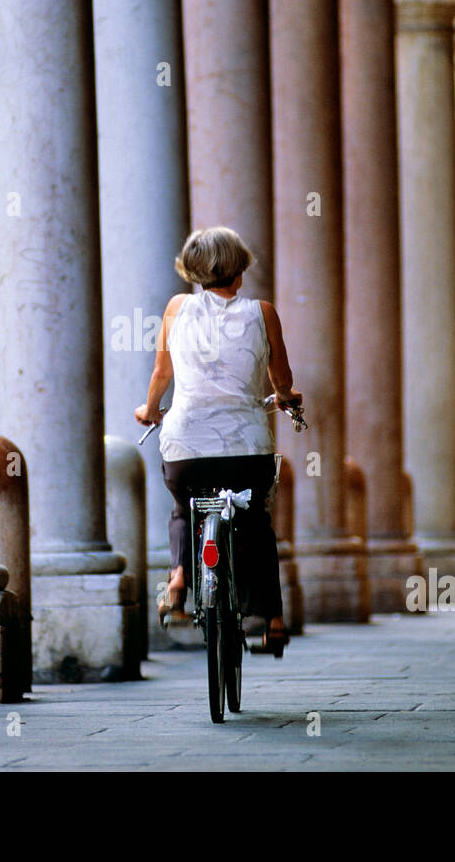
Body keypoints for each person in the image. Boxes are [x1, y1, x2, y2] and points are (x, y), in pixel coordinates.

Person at [134, 226, 301, 655]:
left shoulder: (176, 309)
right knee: (257, 522)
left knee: (183, 507)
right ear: (240, 270)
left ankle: (178, 580)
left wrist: (149, 410)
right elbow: (281, 379)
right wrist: (286, 398)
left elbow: (161, 375)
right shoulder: (263, 313)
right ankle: (274, 621)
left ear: (192, 271)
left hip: (187, 448)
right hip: (246, 450)